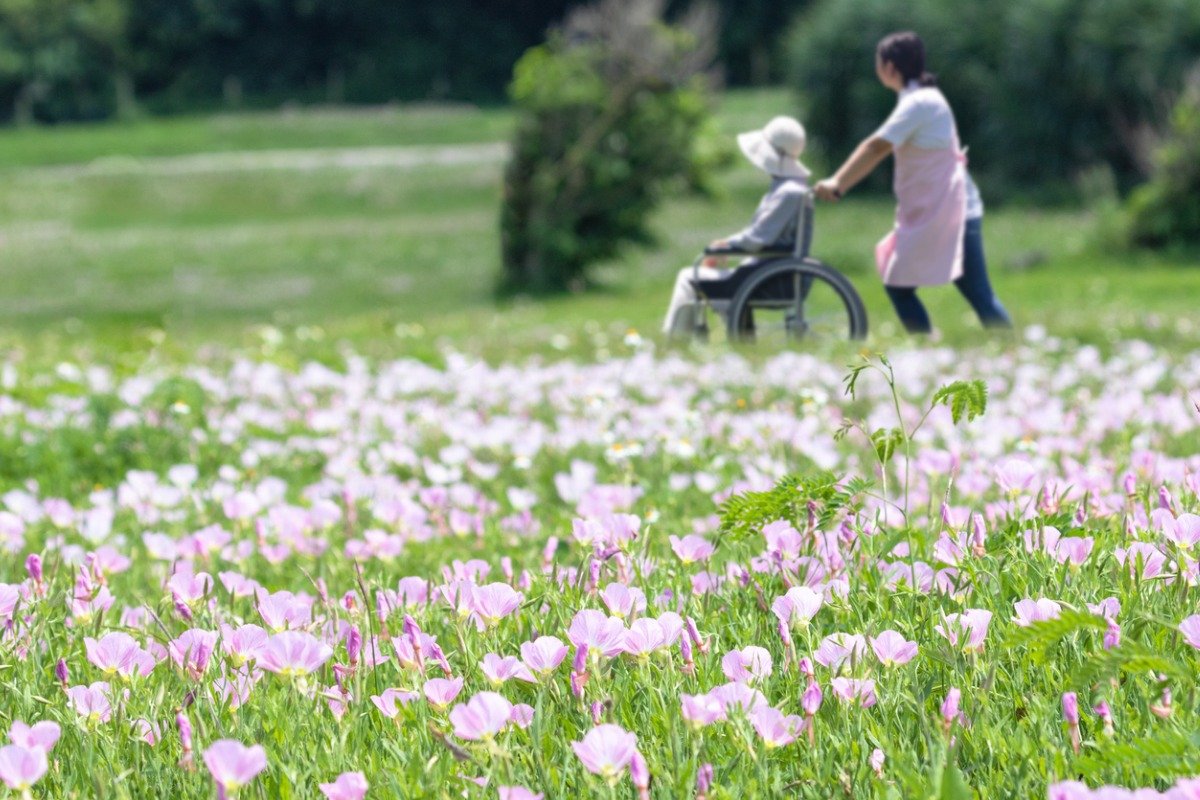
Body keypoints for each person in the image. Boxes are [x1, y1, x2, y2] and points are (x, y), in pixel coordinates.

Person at [813, 31, 1012, 334]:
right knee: (910, 285)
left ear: (890, 67)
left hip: (953, 214)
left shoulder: (919, 104)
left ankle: (959, 349)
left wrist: (837, 182)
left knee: (967, 293)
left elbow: (875, 147)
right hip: (946, 211)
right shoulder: (920, 100)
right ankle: (940, 349)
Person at [662, 116, 811, 338]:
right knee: (708, 274)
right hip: (776, 272)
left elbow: (757, 239)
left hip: (770, 278)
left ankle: (672, 343)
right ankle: (740, 340)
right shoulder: (794, 188)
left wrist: (722, 247)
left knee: (688, 277)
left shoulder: (787, 192)